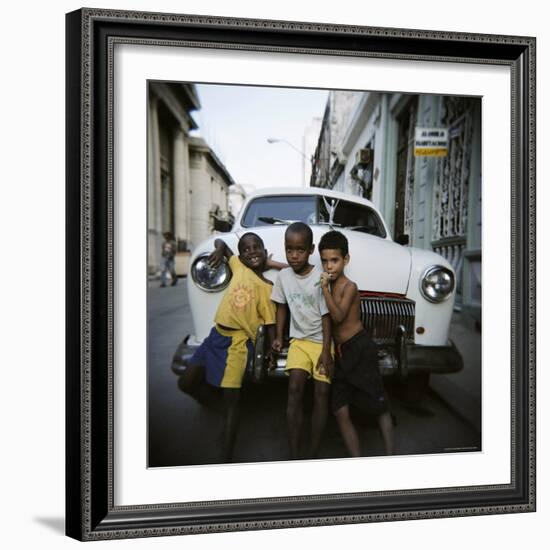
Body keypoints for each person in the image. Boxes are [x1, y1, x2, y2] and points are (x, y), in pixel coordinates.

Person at [179, 232, 285, 462]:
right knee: (186, 382)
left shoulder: (267, 288)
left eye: (257, 247)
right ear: (241, 255)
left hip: (238, 344)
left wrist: (270, 347)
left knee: (232, 399)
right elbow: (221, 242)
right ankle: (224, 413)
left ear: (265, 252)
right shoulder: (237, 265)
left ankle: (226, 453)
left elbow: (269, 323)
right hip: (215, 336)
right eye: (246, 249)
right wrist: (218, 251)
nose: (252, 252)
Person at [318, 230, 394, 456]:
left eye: (334, 260)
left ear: (346, 260)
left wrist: (324, 290)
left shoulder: (348, 286)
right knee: (340, 409)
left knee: (378, 405)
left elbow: (338, 317)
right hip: (342, 352)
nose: (329, 266)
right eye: (325, 261)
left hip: (360, 348)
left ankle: (391, 456)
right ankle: (357, 461)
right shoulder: (329, 285)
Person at [271, 222, 333, 459]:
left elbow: (327, 317)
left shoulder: (320, 277)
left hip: (322, 342)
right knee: (294, 388)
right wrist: (278, 336)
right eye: (289, 249)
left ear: (311, 250)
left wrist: (326, 351)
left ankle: (314, 450)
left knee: (321, 393)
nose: (294, 255)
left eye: (300, 249)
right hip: (298, 341)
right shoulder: (284, 276)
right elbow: (281, 308)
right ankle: (295, 451)